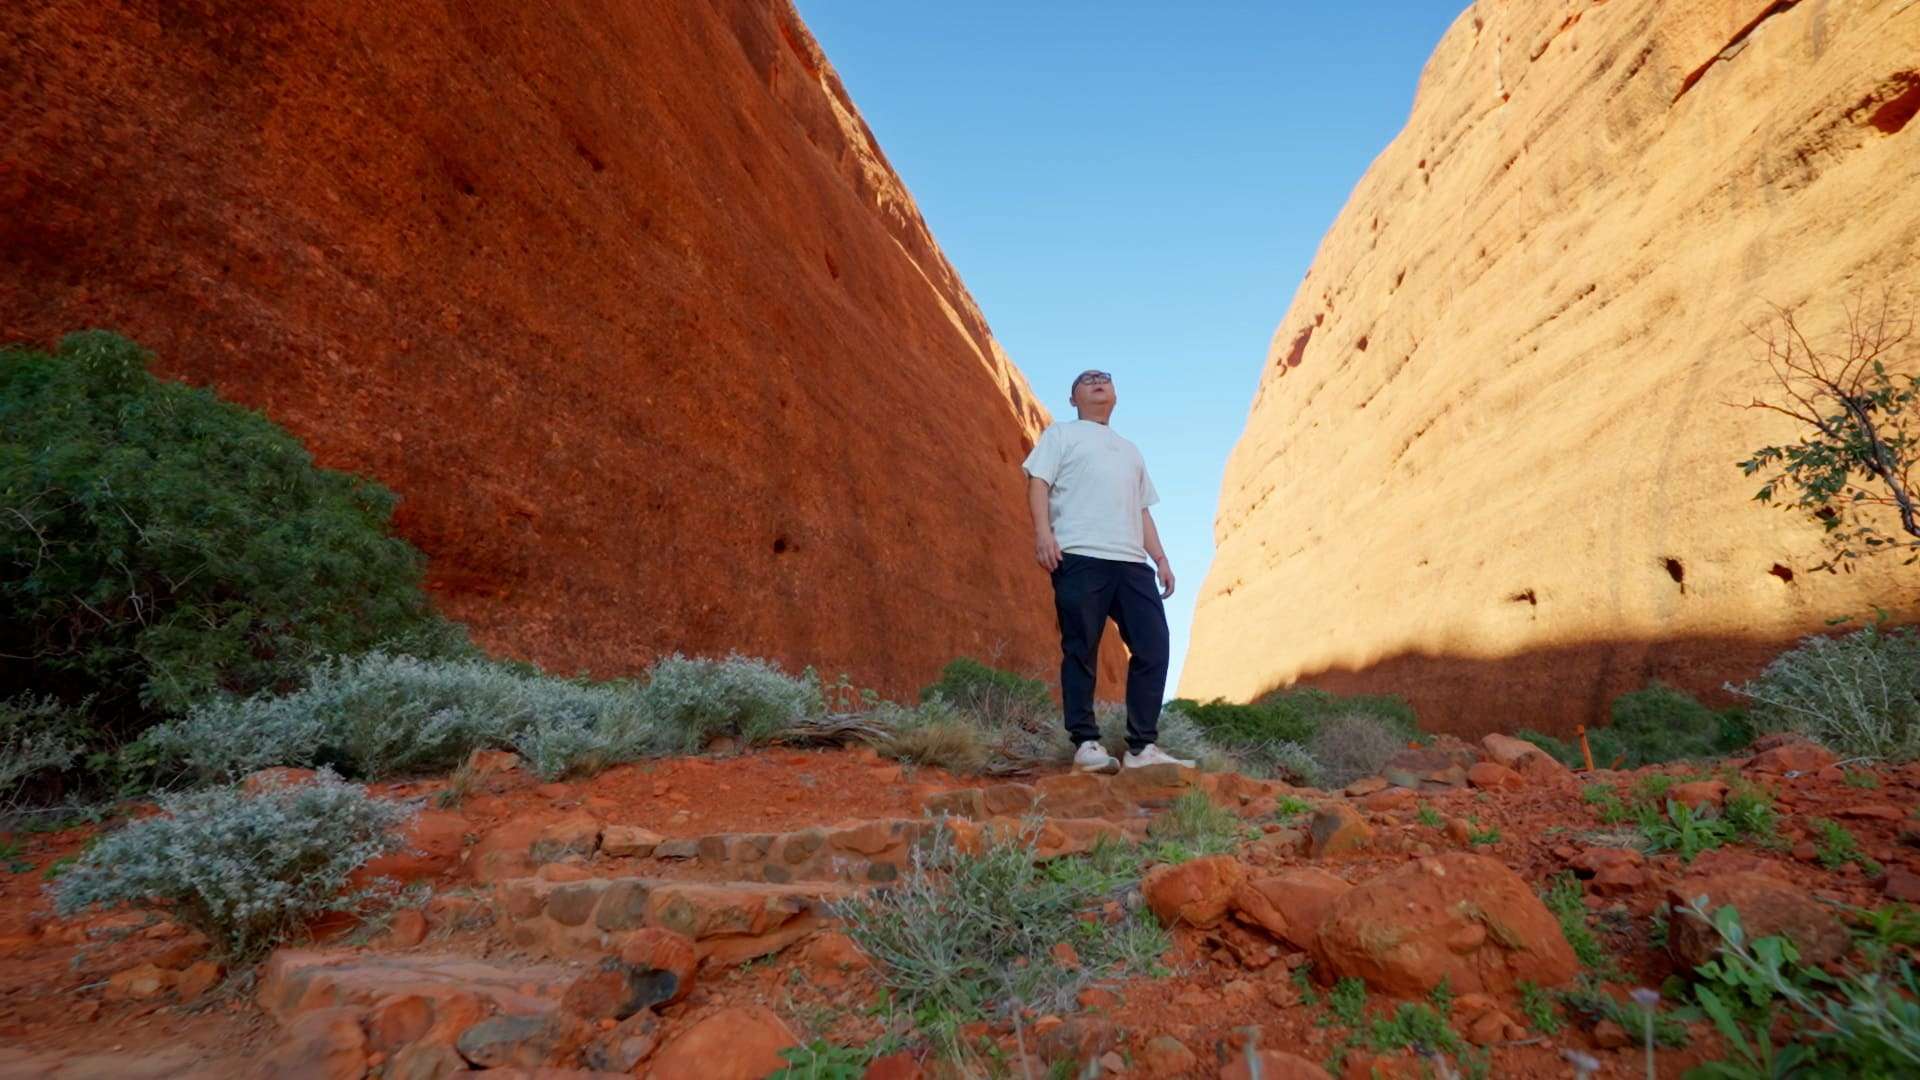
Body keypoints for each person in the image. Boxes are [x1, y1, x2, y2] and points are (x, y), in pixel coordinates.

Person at [1021, 369, 1192, 773]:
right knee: (1081, 647)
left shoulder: (1130, 450)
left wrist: (1161, 559)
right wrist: (1043, 534)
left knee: (1154, 645)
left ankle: (1141, 749)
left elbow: (1142, 509)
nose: (1098, 382)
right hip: (1079, 554)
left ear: (1114, 394)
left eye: (1105, 379)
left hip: (1132, 563)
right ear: (1073, 398)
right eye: (1087, 380)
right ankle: (1086, 744)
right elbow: (1038, 483)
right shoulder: (1060, 435)